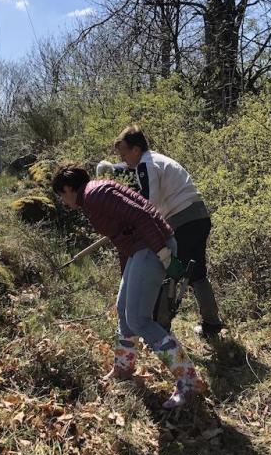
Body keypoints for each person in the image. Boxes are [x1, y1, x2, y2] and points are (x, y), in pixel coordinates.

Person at [51, 164, 207, 408]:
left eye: (62, 195)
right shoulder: (94, 194)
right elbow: (123, 236)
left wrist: (164, 254)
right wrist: (127, 276)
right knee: (123, 308)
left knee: (139, 319)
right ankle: (123, 369)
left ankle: (189, 381)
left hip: (152, 248)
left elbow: (142, 216)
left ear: (69, 188)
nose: (63, 201)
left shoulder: (95, 195)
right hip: (140, 250)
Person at [113, 125, 225, 339]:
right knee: (197, 272)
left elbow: (148, 205)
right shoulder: (156, 159)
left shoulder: (146, 165)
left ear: (136, 149)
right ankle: (211, 323)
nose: (124, 158)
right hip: (199, 216)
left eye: (125, 152)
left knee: (168, 271)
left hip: (182, 219)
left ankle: (160, 329)